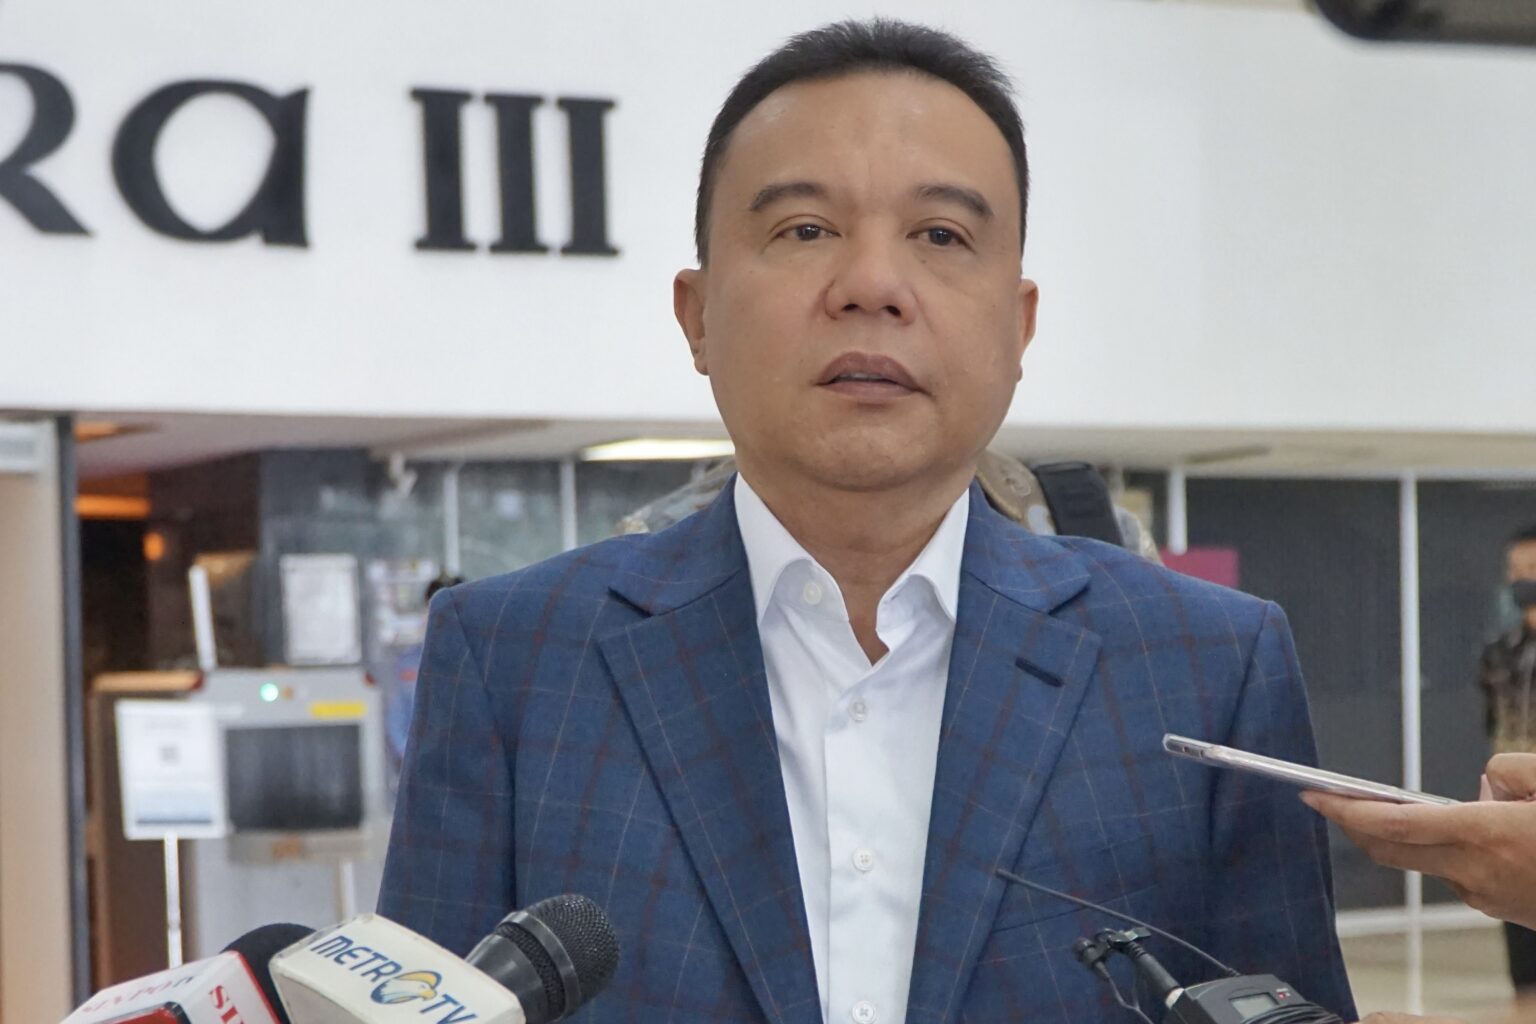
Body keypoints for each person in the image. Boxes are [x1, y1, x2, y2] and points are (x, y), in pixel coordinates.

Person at [379, 19, 1355, 1022]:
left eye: (941, 236)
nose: (873, 288)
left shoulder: (1207, 669)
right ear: (697, 315)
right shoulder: (511, 661)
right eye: (805, 230)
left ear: (1019, 325)